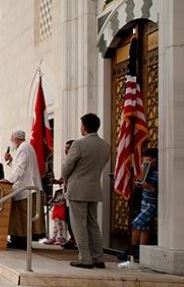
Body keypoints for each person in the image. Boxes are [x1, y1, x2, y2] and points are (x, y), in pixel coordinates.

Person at [61, 113, 110, 269]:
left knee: (79, 225)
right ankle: (98, 257)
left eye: (81, 125)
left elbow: (67, 166)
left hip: (77, 188)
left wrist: (65, 178)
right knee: (93, 224)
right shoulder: (105, 145)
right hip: (94, 187)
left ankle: (85, 258)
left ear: (84, 126)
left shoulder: (79, 144)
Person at [0, 129, 46, 249]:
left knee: (24, 218)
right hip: (24, 188)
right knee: (19, 218)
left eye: (11, 139)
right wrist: (10, 161)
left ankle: (21, 242)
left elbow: (20, 169)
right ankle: (18, 241)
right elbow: (19, 166)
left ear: (16, 139)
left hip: (27, 189)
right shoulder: (26, 148)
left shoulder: (23, 148)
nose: (11, 141)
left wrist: (9, 180)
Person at [122, 147, 159, 261]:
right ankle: (142, 252)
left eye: (147, 159)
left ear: (154, 159)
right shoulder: (145, 170)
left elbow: (161, 191)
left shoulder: (159, 172)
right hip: (144, 201)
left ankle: (132, 250)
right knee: (145, 228)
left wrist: (148, 186)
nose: (144, 161)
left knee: (135, 224)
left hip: (152, 204)